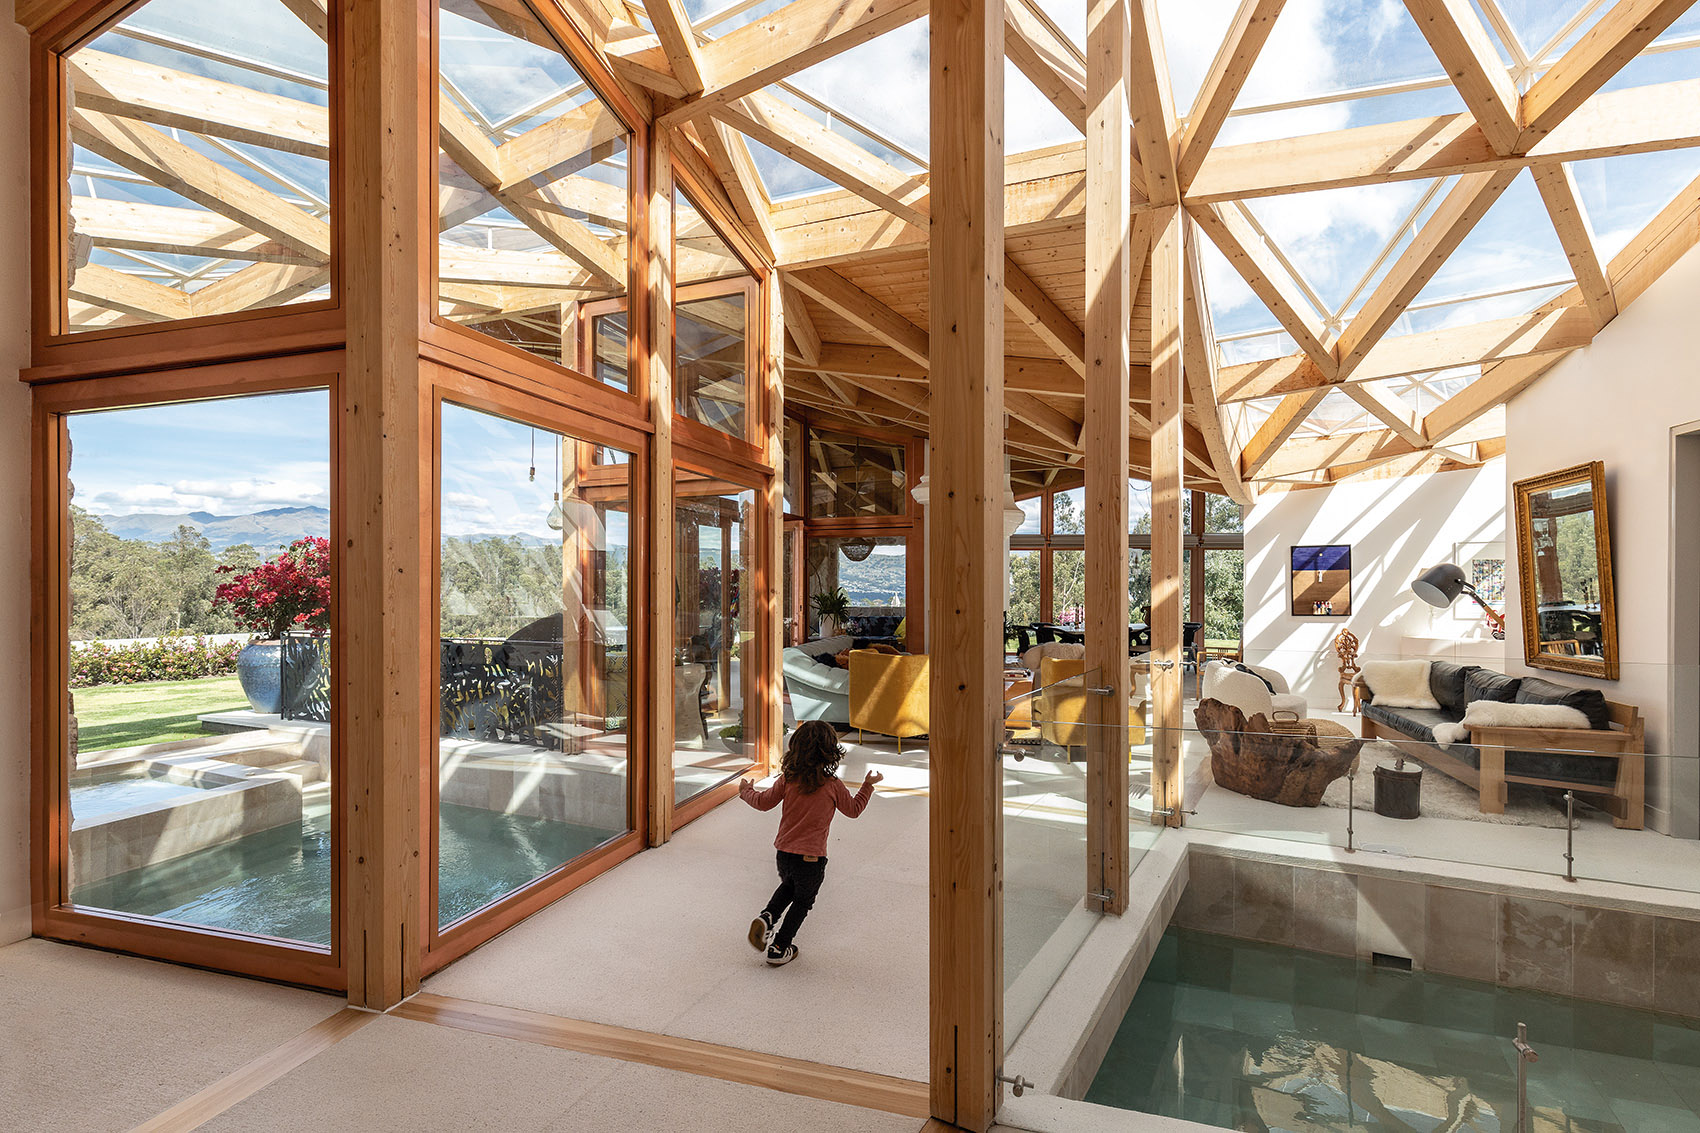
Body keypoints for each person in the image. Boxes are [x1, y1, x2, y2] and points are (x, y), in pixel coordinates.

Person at [739, 720, 882, 967]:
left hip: (784, 853)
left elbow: (763, 803)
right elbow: (854, 810)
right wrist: (867, 786)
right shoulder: (832, 785)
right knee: (803, 901)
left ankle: (767, 917)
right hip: (811, 859)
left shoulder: (788, 779)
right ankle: (779, 948)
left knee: (789, 886)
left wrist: (746, 792)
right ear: (830, 752)